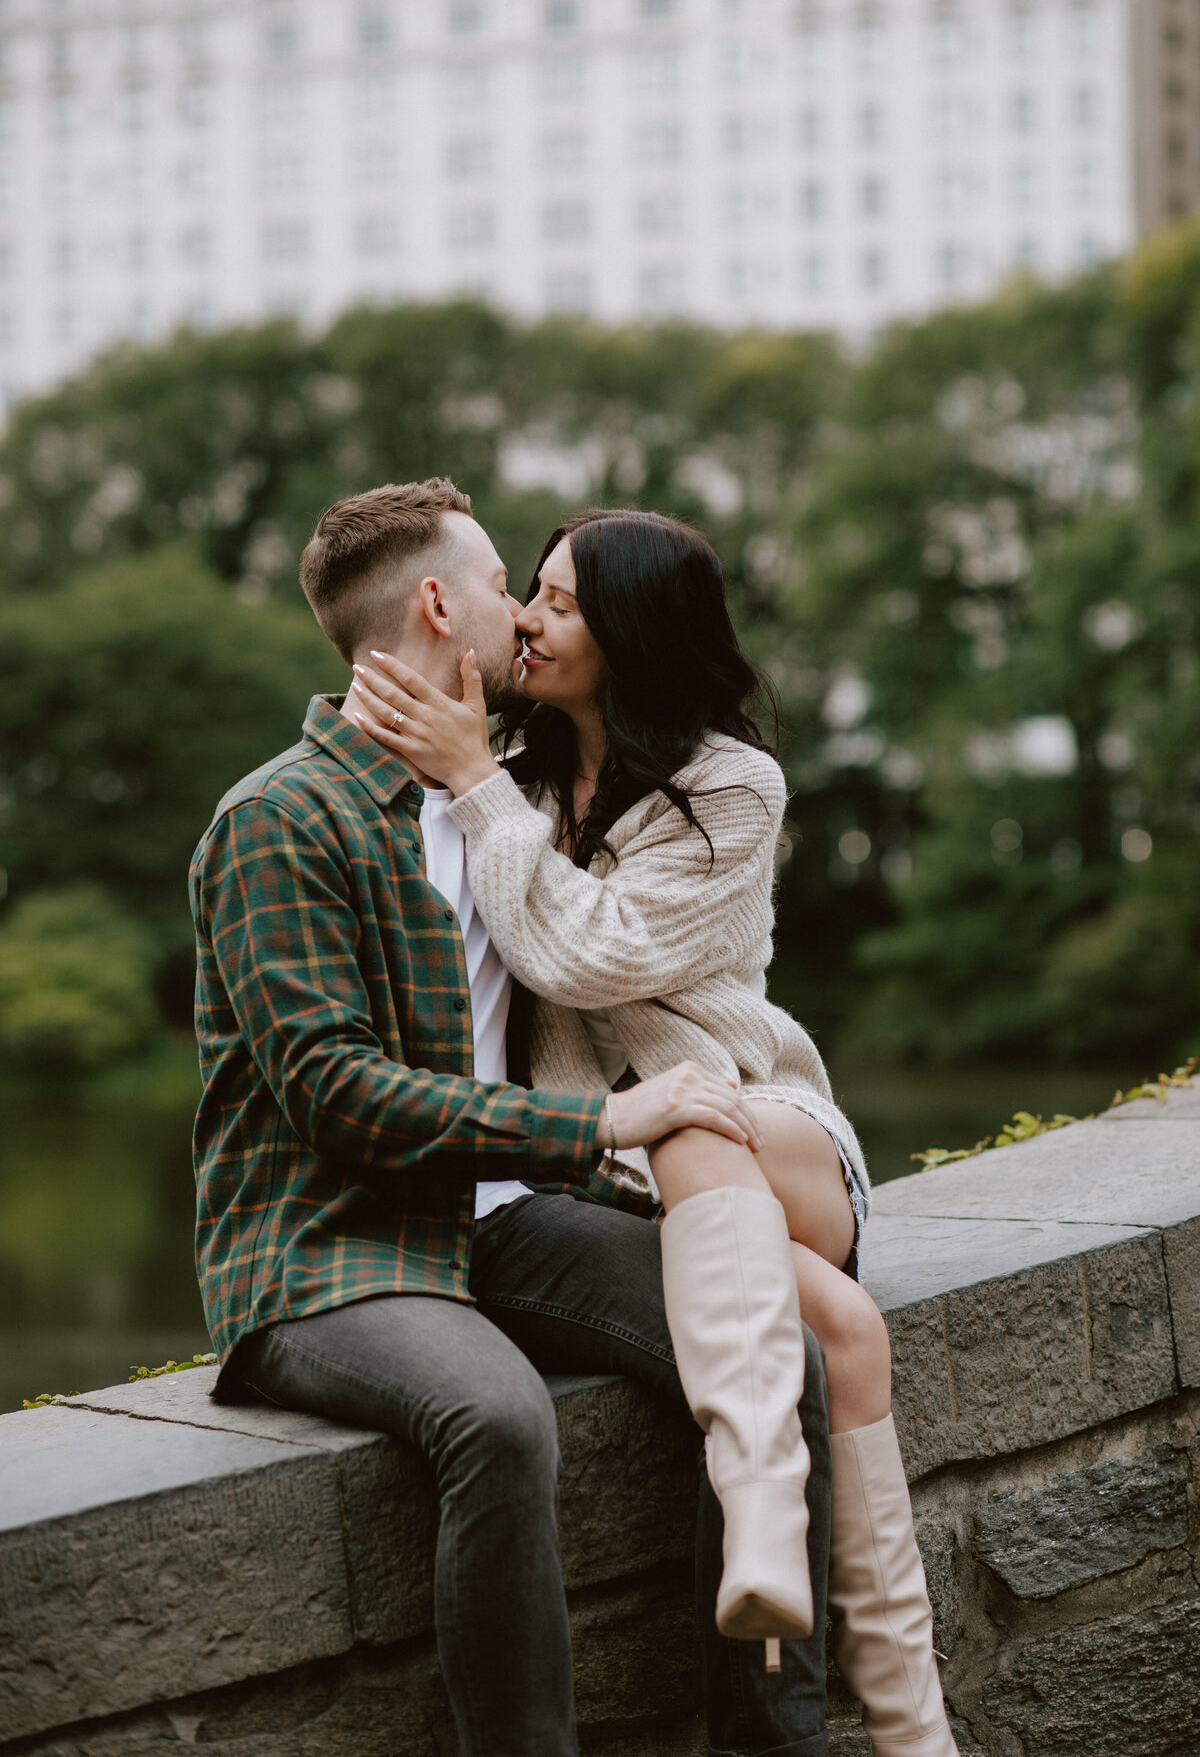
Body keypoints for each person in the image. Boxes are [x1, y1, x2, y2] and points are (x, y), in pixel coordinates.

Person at [189, 477, 838, 1757]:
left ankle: (773, 1745)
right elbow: (336, 1095)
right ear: (438, 603)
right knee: (496, 1417)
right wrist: (597, 1131)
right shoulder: (279, 822)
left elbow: (623, 906)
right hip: (330, 1247)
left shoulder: (511, 795)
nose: (524, 613)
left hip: (506, 1227)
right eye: (504, 584)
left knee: (782, 1359)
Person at [349, 506, 959, 1757]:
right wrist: (472, 773)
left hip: (762, 1118)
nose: (528, 615)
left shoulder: (732, 785)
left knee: (697, 1120)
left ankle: (762, 1515)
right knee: (833, 1328)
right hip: (619, 1166)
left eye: (564, 603)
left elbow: (590, 953)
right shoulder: (515, 783)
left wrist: (472, 784)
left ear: (634, 631)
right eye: (532, 589)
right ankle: (913, 1734)